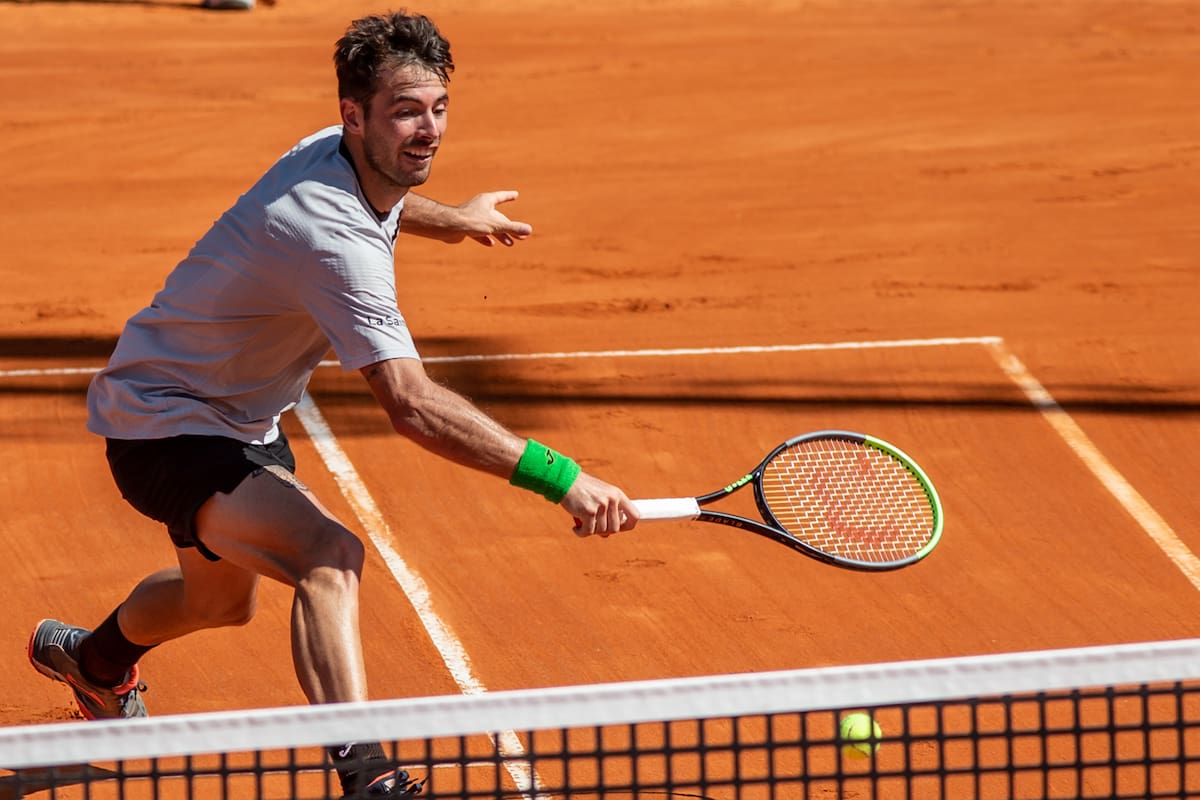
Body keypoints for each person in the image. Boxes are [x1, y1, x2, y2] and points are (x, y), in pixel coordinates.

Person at [27, 10, 639, 799]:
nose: (428, 131)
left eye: (438, 108)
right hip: (163, 423)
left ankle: (93, 659)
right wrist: (562, 478)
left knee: (220, 603)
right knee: (330, 556)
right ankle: (368, 775)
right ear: (356, 114)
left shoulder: (337, 149)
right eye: (406, 113)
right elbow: (412, 406)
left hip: (236, 417)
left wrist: (458, 222)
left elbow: (388, 197)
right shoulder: (332, 243)